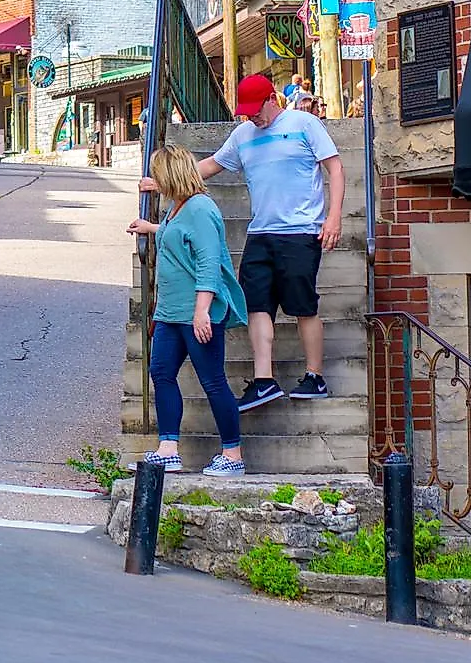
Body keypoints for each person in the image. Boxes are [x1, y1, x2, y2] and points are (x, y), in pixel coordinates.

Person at [175, 72, 343, 412]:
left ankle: (315, 376)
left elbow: (335, 169)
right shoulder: (242, 135)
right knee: (256, 304)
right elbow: (211, 165)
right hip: (260, 233)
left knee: (303, 305)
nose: (253, 116)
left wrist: (334, 216)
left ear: (272, 99)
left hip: (300, 231)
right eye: (247, 111)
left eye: (257, 108)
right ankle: (264, 380)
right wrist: (165, 181)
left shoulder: (304, 124)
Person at [131, 144, 249, 476]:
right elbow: (175, 235)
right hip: (170, 312)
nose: (155, 181)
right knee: (161, 373)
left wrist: (202, 311)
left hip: (198, 312)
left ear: (171, 176)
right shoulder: (176, 207)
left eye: (158, 175)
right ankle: (168, 449)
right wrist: (150, 228)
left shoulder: (201, 209)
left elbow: (209, 264)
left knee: (212, 381)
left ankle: (233, 454)